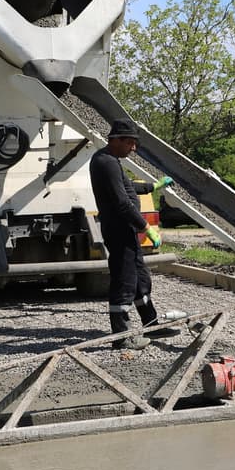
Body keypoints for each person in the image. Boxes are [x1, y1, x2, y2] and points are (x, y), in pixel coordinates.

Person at [89, 118, 174, 349]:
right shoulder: (104, 162)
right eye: (131, 143)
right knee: (124, 281)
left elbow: (128, 187)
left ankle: (152, 324)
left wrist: (153, 186)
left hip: (126, 232)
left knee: (141, 279)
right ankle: (122, 337)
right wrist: (146, 228)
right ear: (116, 140)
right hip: (118, 232)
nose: (134, 148)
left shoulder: (112, 161)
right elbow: (122, 203)